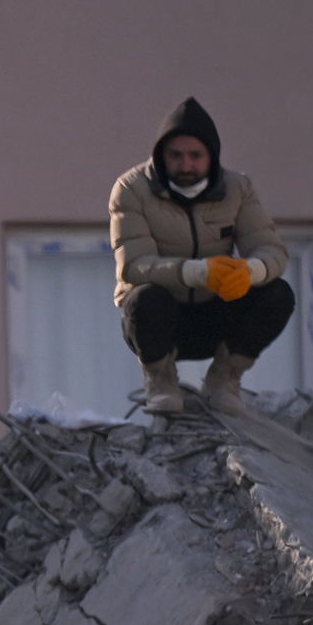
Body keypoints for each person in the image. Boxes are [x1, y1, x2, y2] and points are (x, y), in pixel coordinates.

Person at [108, 99, 296, 416]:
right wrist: (197, 272)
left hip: (216, 315)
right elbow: (134, 265)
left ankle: (226, 376)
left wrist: (249, 270)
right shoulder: (131, 188)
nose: (186, 166)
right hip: (159, 324)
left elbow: (272, 251)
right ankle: (160, 378)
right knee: (144, 298)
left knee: (278, 294)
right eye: (176, 156)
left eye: (196, 156)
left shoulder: (238, 188)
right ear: (160, 155)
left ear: (212, 156)